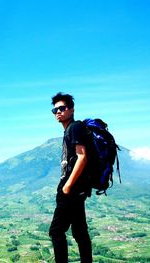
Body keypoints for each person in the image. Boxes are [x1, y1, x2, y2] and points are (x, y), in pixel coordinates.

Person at [49, 92, 92, 263]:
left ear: (71, 109)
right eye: (55, 110)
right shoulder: (70, 130)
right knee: (80, 231)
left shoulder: (74, 128)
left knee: (56, 231)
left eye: (62, 108)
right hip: (79, 188)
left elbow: (82, 157)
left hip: (71, 189)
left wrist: (67, 186)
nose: (58, 112)